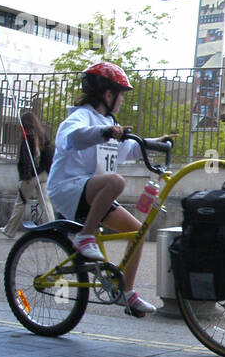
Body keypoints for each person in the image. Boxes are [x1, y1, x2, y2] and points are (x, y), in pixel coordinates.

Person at [46, 62, 174, 317]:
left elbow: (128, 149)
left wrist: (155, 144)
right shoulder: (80, 116)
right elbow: (70, 137)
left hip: (92, 192)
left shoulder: (108, 122)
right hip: (67, 188)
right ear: (108, 94)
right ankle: (85, 236)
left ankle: (125, 292)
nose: (121, 102)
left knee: (138, 232)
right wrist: (103, 132)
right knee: (116, 181)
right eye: (120, 96)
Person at [0, 110, 55, 239]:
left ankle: (9, 230)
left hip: (30, 177)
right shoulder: (42, 136)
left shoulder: (27, 138)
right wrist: (49, 172)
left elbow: (25, 159)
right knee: (46, 203)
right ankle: (52, 229)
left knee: (21, 202)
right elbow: (49, 155)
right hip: (43, 175)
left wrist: (26, 176)